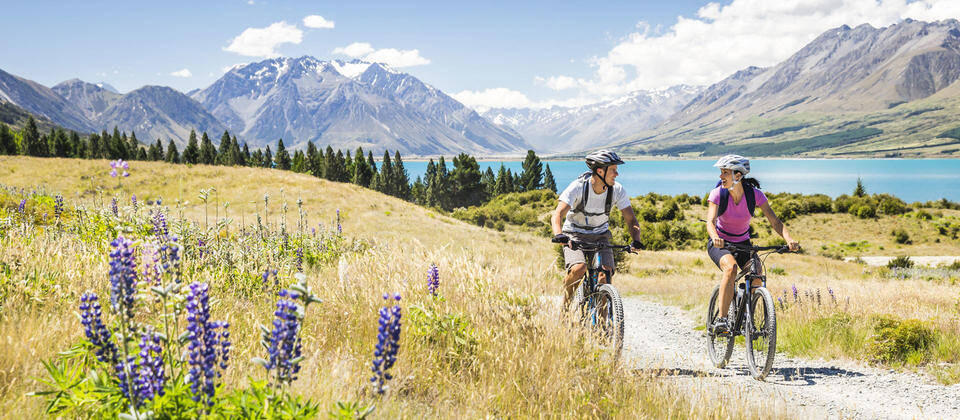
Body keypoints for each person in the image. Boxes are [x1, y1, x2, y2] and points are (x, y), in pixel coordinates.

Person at [706, 154, 799, 335]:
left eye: (725, 172)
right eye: (721, 172)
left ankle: (746, 307)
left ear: (738, 175)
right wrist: (715, 237)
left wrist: (788, 239)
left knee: (757, 275)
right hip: (720, 243)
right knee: (731, 269)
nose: (720, 177)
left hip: (743, 244)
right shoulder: (717, 193)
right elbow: (710, 221)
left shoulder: (755, 195)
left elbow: (775, 222)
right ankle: (722, 320)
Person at [551, 150, 643, 307]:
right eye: (613, 170)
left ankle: (603, 328)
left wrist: (636, 240)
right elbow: (557, 214)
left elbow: (631, 219)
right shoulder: (578, 187)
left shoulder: (617, 190)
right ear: (600, 171)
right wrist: (559, 235)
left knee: (604, 276)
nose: (617, 174)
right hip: (574, 234)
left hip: (601, 235)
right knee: (579, 268)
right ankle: (565, 308)